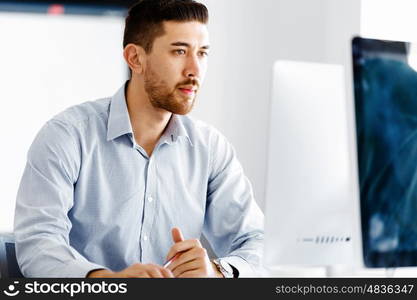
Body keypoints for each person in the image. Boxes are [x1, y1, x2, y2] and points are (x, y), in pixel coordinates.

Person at [14, 0, 264, 278]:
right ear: (135, 58)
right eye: (179, 51)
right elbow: (38, 244)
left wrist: (217, 272)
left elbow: (257, 242)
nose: (195, 70)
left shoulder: (210, 148)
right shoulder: (68, 135)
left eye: (202, 53)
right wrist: (109, 283)